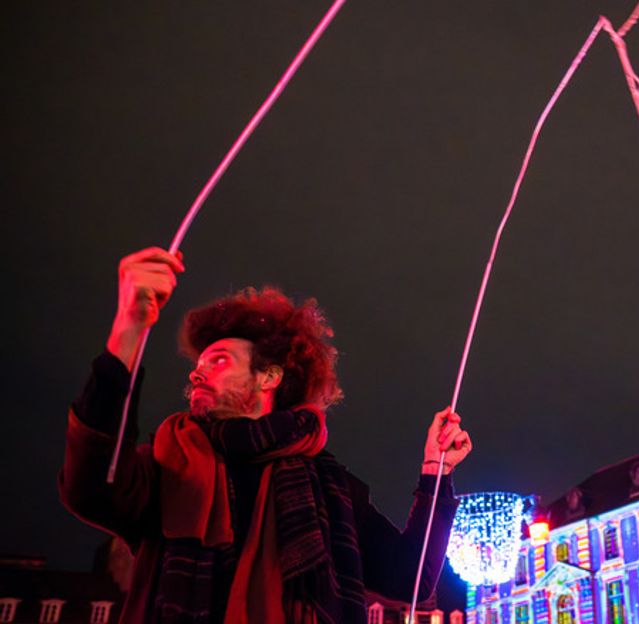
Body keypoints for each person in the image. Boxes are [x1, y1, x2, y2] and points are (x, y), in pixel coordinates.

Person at [60, 247, 473, 623]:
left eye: (218, 360)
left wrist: (435, 471)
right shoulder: (170, 462)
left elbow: (411, 579)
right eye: (199, 363)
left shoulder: (332, 486)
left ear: (270, 377)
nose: (196, 372)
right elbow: (91, 485)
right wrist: (127, 332)